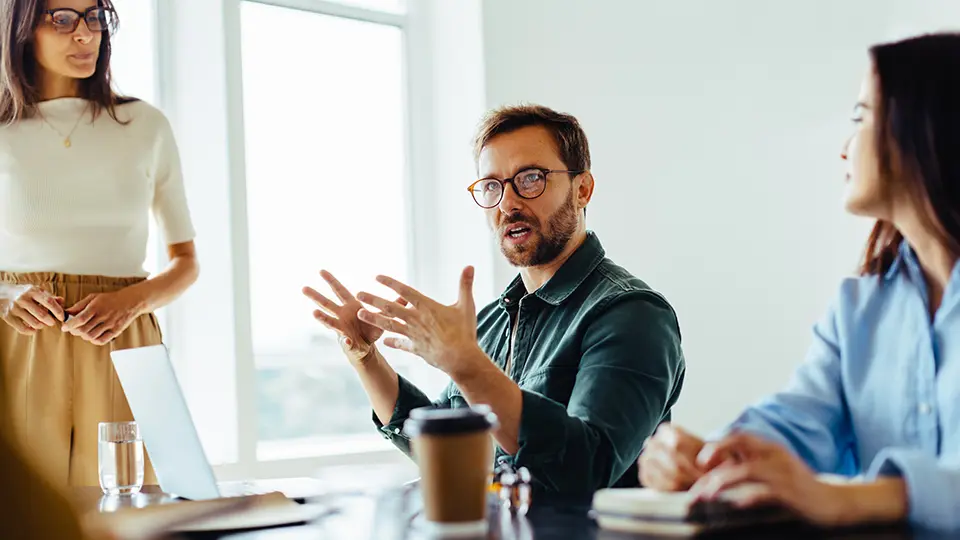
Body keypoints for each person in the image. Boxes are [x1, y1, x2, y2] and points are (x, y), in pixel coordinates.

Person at [639, 33, 960, 530]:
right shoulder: (857, 307)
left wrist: (857, 499)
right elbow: (799, 421)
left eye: (860, 117)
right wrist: (711, 459)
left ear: (921, 127)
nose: (844, 148)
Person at [304, 104, 685, 503]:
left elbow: (587, 468)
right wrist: (366, 357)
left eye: (530, 178)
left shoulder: (632, 314)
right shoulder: (489, 322)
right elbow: (448, 448)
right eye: (492, 186)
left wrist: (467, 367)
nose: (508, 204)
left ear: (582, 188)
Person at [0, 0, 199, 487]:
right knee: (23, 514)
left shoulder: (145, 126)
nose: (86, 34)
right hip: (16, 343)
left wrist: (131, 301)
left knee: (139, 507)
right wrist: (5, 295)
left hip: (125, 338)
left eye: (95, 17)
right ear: (22, 28)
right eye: (63, 19)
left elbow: (185, 261)